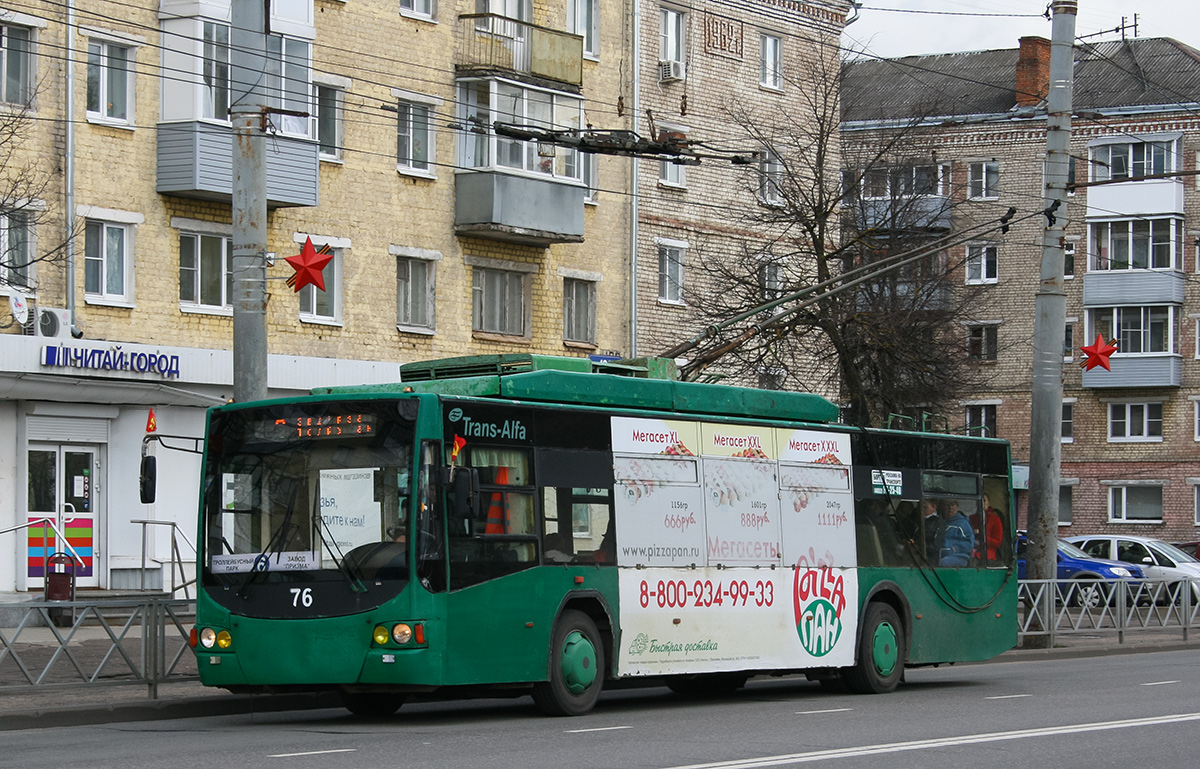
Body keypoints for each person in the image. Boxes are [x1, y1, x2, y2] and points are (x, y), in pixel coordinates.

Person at [937, 498, 974, 567]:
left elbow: (969, 544)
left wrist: (955, 548)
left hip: (958, 557)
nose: (950, 508)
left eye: (953, 505)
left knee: (943, 562)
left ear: (957, 506)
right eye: (946, 505)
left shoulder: (963, 523)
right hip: (938, 555)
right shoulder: (937, 523)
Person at [969, 493, 1004, 562]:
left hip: (987, 556)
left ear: (988, 503)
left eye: (984, 501)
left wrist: (982, 537)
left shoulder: (995, 519)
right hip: (970, 553)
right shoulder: (971, 518)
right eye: (979, 501)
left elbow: (998, 543)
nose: (981, 503)